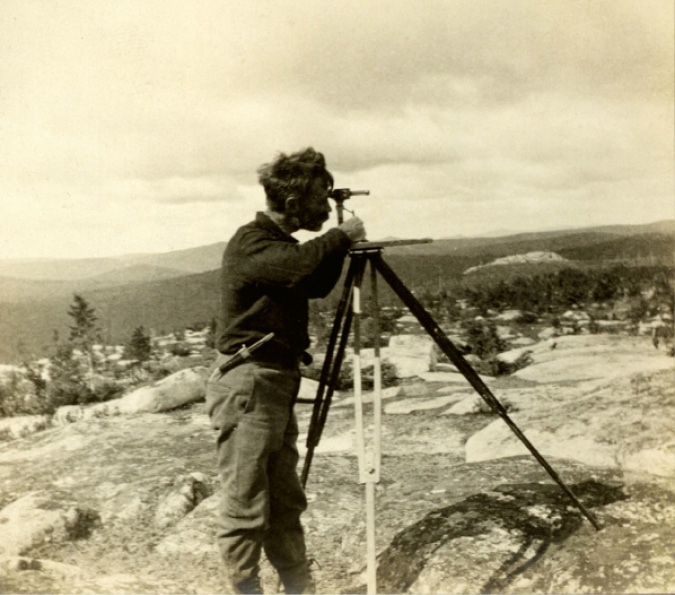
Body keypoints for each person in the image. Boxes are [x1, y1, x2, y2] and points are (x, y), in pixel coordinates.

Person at [206, 147, 366, 594]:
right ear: (293, 204)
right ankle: (246, 589)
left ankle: (299, 588)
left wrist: (337, 239)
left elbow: (314, 281)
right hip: (249, 384)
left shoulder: (279, 246)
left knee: (284, 500)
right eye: (320, 197)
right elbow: (300, 270)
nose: (325, 204)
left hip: (272, 383)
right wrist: (343, 235)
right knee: (246, 502)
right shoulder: (251, 244)